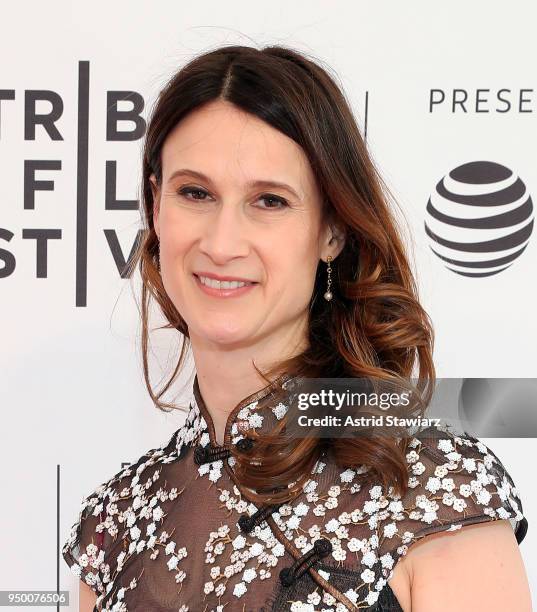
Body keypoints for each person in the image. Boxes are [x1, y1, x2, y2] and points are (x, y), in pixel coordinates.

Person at [62, 45, 531, 611]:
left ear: (331, 230)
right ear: (156, 207)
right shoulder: (114, 523)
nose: (221, 243)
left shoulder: (430, 485)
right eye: (195, 193)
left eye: (269, 200)